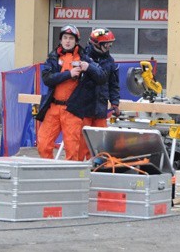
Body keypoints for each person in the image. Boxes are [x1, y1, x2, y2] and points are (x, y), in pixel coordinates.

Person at [36, 25, 107, 160]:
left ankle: (70, 178)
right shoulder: (53, 57)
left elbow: (102, 78)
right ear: (61, 40)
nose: (67, 41)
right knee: (43, 144)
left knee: (73, 150)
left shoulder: (84, 58)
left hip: (73, 109)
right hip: (53, 108)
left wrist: (89, 67)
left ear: (76, 41)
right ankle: (48, 172)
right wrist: (69, 74)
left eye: (70, 38)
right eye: (65, 38)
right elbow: (47, 79)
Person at [78, 28, 121, 161]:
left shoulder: (109, 61)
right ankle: (77, 169)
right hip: (84, 108)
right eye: (106, 44)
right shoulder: (82, 57)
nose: (109, 47)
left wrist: (115, 103)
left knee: (100, 145)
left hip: (100, 108)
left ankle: (97, 170)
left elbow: (113, 84)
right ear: (96, 44)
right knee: (81, 144)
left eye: (110, 44)